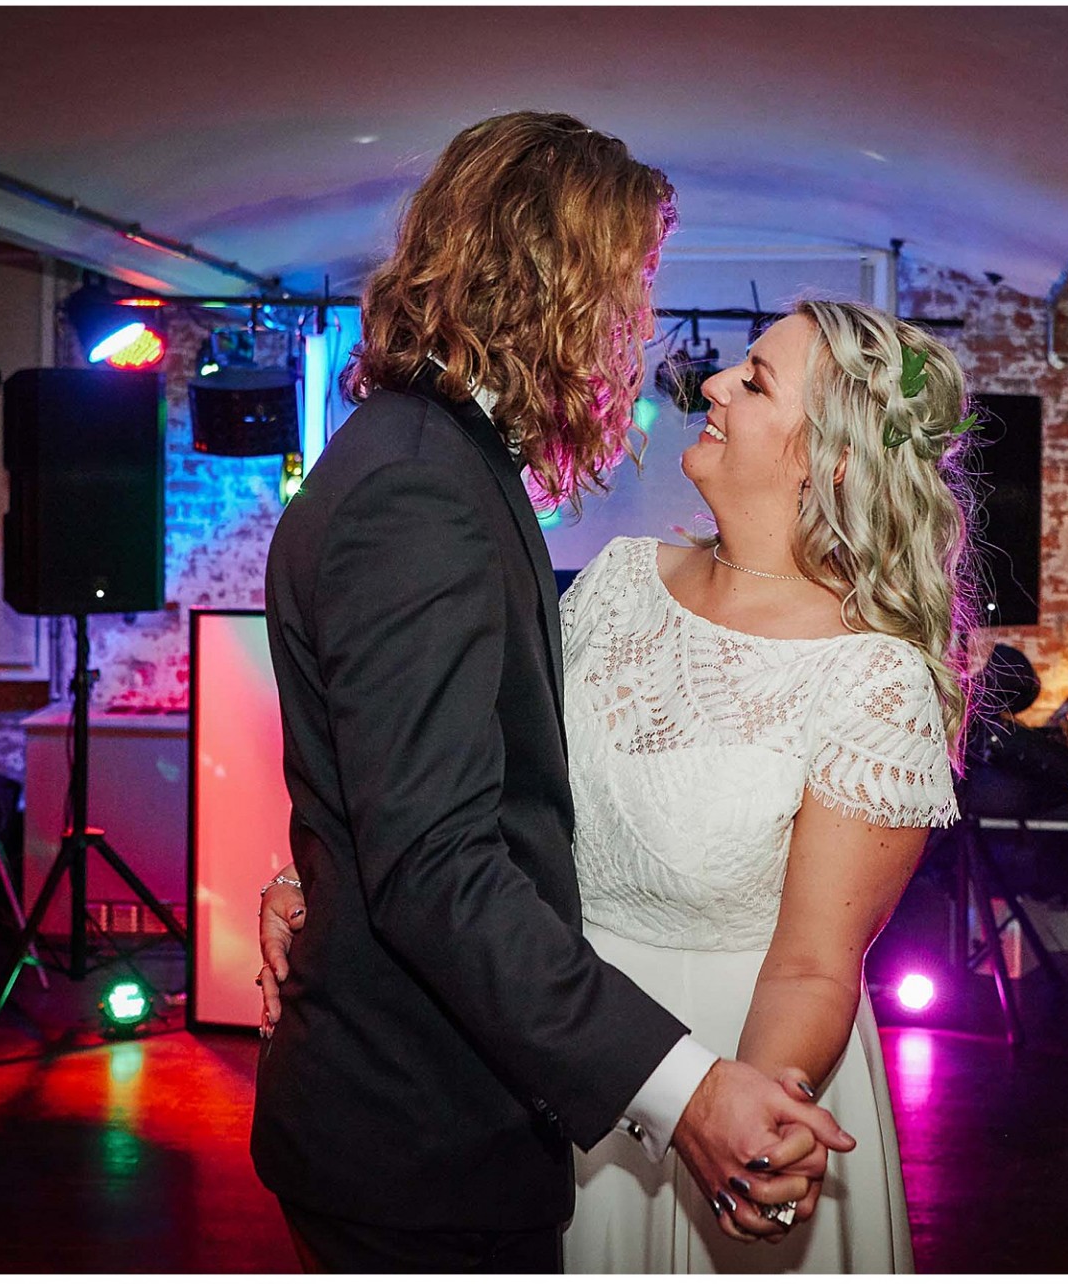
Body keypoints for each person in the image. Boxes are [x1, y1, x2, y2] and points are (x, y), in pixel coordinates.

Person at [250, 112, 854, 1274]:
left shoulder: (441, 463)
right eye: (629, 289)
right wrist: (684, 1092)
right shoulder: (417, 492)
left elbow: (437, 778)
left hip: (469, 1110)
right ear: (557, 285)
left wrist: (314, 871)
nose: (637, 329)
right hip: (420, 1138)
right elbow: (433, 860)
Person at [263, 299, 979, 1270]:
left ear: (832, 459)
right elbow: (457, 782)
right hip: (553, 1056)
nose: (712, 385)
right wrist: (320, 878)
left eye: (756, 380)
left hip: (739, 1066)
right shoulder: (618, 581)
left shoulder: (872, 675)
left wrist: (746, 1116)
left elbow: (814, 963)